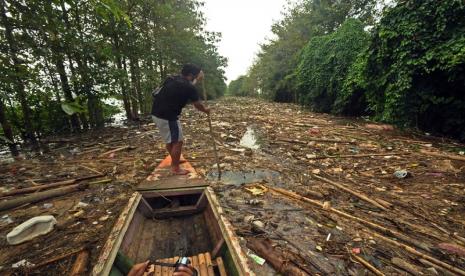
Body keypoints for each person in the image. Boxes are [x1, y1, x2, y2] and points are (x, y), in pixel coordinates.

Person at [151, 64, 210, 175]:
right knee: (178, 142)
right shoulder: (189, 87)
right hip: (168, 116)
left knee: (170, 140)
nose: (197, 77)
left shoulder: (172, 78)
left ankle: (175, 160)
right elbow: (197, 105)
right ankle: (175, 168)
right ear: (191, 75)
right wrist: (206, 110)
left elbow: (188, 85)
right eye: (196, 75)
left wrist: (197, 79)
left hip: (156, 113)